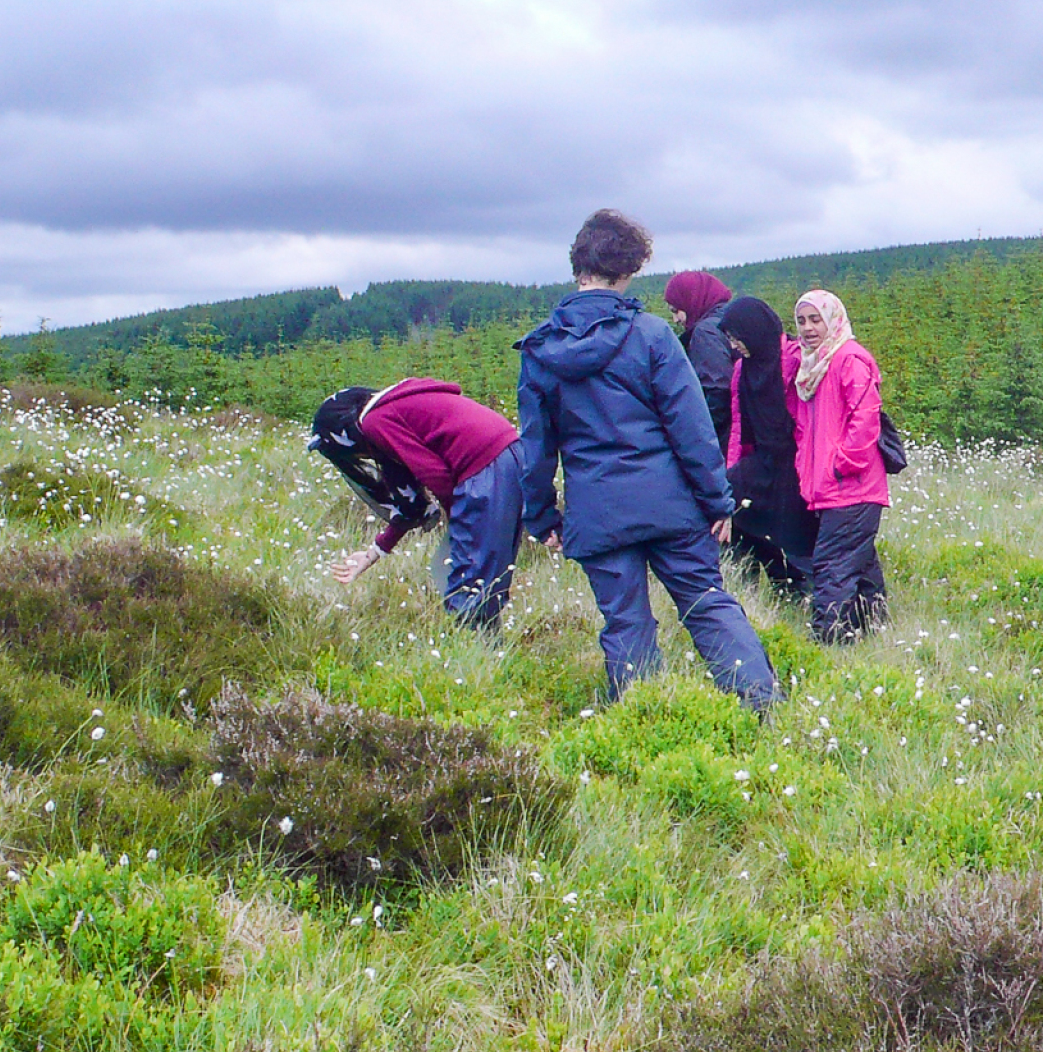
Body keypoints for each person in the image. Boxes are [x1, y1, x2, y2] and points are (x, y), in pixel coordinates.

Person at [516, 210, 778, 709]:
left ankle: (641, 720)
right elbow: (693, 429)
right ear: (630, 267)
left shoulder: (541, 349)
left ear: (579, 265)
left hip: (598, 512)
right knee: (705, 603)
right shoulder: (653, 336)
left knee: (625, 622)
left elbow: (535, 447)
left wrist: (542, 515)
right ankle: (760, 705)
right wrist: (717, 502)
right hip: (671, 505)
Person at [311, 379, 525, 629]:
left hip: (484, 467)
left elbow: (434, 474)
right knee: (481, 575)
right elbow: (409, 502)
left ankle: (481, 656)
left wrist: (455, 518)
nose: (360, 458)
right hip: (509, 455)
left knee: (468, 582)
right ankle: (489, 653)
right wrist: (374, 552)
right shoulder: (390, 410)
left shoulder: (375, 422)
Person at [787, 289, 889, 644]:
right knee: (859, 565)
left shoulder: (849, 359)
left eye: (815, 319)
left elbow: (865, 420)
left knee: (832, 565)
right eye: (801, 320)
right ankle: (875, 631)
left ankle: (829, 641)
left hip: (853, 487)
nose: (808, 328)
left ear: (833, 319)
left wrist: (841, 466)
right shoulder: (812, 364)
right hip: (832, 488)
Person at [718, 297, 818, 599]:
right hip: (763, 457)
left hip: (796, 459)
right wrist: (731, 471)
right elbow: (739, 427)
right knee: (731, 505)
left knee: (796, 533)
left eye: (738, 337)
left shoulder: (793, 358)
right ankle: (748, 585)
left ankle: (803, 590)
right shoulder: (741, 371)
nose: (735, 345)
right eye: (730, 339)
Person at [662, 270, 736, 453]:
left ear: (692, 300)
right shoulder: (732, 320)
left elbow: (717, 392)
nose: (675, 319)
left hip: (723, 441)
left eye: (676, 310)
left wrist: (694, 440)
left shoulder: (706, 333)